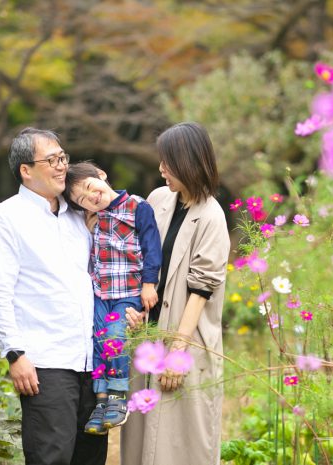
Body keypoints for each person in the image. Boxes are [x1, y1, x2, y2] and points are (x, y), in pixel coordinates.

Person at [0, 128, 107, 465]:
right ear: (26, 170)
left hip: (91, 364)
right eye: (52, 160)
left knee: (90, 458)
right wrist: (15, 353)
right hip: (45, 365)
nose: (62, 166)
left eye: (63, 157)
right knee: (52, 458)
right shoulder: (4, 219)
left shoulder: (80, 217)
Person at [121, 122, 230, 465]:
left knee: (182, 445)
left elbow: (201, 290)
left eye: (167, 162)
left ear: (187, 162)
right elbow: (139, 262)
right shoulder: (157, 199)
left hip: (186, 340)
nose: (161, 169)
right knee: (141, 440)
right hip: (149, 337)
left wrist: (177, 354)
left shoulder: (212, 217)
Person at [63, 161, 161, 435]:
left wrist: (149, 284)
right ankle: (101, 400)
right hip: (100, 294)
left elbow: (152, 247)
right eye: (83, 200)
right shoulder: (93, 219)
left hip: (128, 292)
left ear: (102, 175)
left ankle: (118, 395)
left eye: (90, 188)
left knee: (115, 337)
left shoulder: (137, 207)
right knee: (97, 343)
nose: (92, 198)